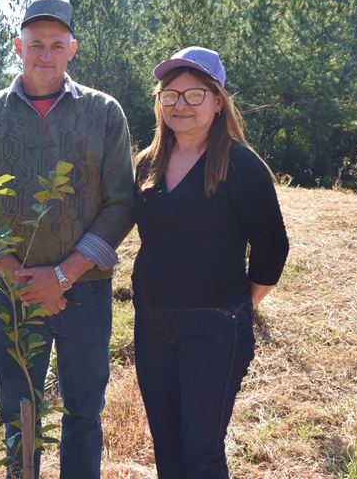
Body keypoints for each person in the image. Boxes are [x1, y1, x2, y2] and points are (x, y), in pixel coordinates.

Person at [0, 0, 135, 478]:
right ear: (18, 46)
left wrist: (63, 275)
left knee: (84, 410)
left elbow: (121, 202)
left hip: (86, 291)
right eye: (36, 44)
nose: (45, 54)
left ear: (72, 49)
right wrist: (16, 275)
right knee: (20, 412)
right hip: (14, 295)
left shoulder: (104, 113)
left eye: (57, 45)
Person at [132, 46, 290, 478]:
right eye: (170, 95)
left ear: (218, 101)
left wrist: (239, 305)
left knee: (200, 452)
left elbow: (272, 245)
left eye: (194, 94)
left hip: (215, 326)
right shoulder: (147, 164)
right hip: (152, 323)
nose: (180, 105)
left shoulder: (239, 164)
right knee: (165, 445)